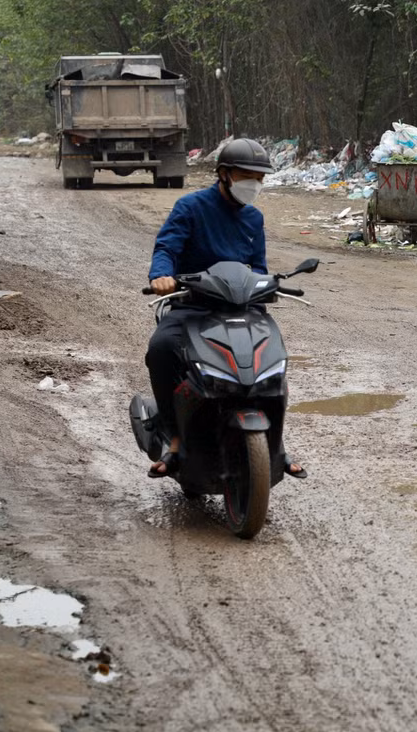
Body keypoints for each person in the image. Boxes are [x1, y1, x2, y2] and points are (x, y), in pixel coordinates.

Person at [145, 138, 306, 479]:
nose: (254, 184)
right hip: (193, 305)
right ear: (224, 174)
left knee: (271, 363)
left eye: (259, 178)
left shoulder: (253, 218)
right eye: (247, 176)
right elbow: (167, 248)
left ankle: (275, 446)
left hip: (242, 307)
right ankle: (174, 438)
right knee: (160, 349)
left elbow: (257, 266)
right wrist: (162, 276)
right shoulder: (189, 208)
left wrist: (267, 286)